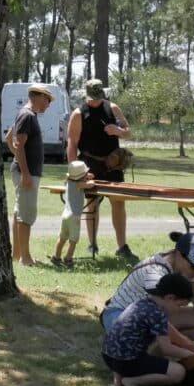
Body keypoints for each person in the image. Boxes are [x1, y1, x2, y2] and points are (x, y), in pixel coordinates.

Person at [100, 231, 194, 349]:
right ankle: (152, 356)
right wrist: (189, 346)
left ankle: (159, 355)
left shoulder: (188, 270)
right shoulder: (155, 273)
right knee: (143, 332)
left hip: (148, 315)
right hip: (118, 314)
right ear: (178, 254)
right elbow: (158, 318)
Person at [66, 78, 136, 260]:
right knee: (92, 205)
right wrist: (75, 170)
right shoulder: (78, 114)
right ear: (86, 96)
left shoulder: (113, 108)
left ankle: (122, 246)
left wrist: (119, 131)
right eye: (93, 97)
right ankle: (92, 244)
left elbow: (128, 131)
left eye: (99, 96)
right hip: (90, 164)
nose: (96, 100)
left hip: (114, 164)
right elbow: (72, 144)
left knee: (118, 203)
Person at [102, 272, 194, 386]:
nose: (179, 310)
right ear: (170, 298)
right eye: (180, 305)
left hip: (108, 356)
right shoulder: (158, 314)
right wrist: (190, 355)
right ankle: (132, 382)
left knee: (130, 347)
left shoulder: (141, 302)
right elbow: (167, 349)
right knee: (178, 372)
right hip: (127, 362)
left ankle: (118, 382)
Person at [6, 83, 55, 267]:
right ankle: (25, 258)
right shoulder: (27, 115)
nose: (48, 104)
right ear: (37, 96)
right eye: (47, 100)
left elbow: (9, 137)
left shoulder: (25, 114)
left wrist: (18, 162)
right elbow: (18, 144)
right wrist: (25, 172)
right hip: (27, 173)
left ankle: (17, 254)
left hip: (24, 171)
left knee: (20, 212)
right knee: (26, 215)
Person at [50, 160, 93, 269]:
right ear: (81, 176)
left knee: (62, 238)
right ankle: (68, 259)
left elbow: (78, 179)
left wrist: (85, 176)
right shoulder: (79, 184)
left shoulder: (69, 182)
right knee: (73, 240)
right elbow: (90, 185)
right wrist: (89, 180)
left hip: (65, 214)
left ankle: (56, 256)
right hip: (74, 216)